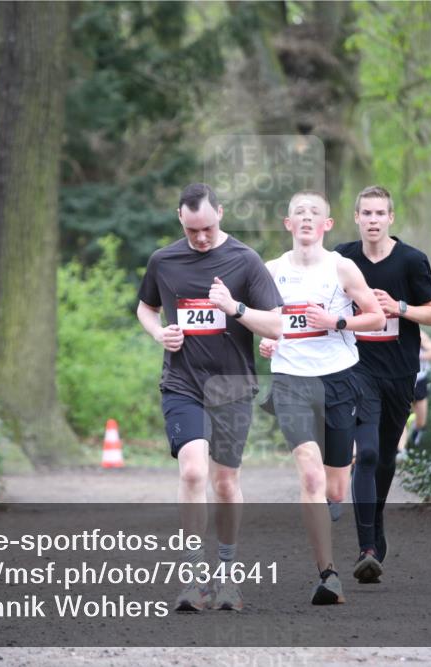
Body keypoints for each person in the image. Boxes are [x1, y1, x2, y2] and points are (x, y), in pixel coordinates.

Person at [137, 183, 283, 612]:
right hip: (182, 383)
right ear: (180, 219)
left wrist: (234, 308)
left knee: (224, 482)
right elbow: (146, 308)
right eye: (192, 230)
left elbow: (276, 326)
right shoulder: (163, 261)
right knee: (193, 473)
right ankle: (194, 579)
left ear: (220, 213)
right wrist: (157, 332)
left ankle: (228, 577)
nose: (201, 238)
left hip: (232, 386)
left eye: (208, 228)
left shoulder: (245, 260)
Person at [258, 190, 384, 605]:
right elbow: (260, 321)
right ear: (288, 224)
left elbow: (377, 316)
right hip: (292, 380)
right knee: (309, 475)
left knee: (334, 484)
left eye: (315, 213)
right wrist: (266, 340)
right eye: (299, 213)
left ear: (328, 224)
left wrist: (337, 320)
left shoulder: (342, 267)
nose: (307, 218)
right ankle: (328, 575)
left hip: (338, 378)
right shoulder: (270, 271)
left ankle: (333, 495)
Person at [335, 185, 431, 584]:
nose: (373, 220)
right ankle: (366, 548)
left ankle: (374, 522)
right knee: (364, 454)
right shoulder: (342, 258)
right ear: (357, 218)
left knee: (383, 459)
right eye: (367, 213)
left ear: (390, 218)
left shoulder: (412, 261)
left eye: (380, 213)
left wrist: (398, 307)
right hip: (356, 368)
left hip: (399, 373)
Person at [398, 330, 431, 457]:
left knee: (421, 422)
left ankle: (412, 426)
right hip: (400, 380)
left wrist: (414, 356)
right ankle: (401, 451)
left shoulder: (419, 334)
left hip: (419, 379)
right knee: (400, 418)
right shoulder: (391, 332)